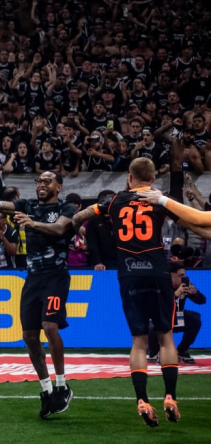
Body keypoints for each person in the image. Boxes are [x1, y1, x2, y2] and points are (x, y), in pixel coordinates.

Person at [0, 171, 76, 418]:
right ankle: (46, 390)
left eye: (47, 181)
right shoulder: (26, 205)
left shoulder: (66, 207)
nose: (41, 185)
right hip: (32, 278)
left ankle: (62, 386)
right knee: (29, 336)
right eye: (39, 181)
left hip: (55, 276)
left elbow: (60, 229)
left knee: (50, 327)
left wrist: (32, 224)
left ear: (58, 187)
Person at [73, 159, 180, 427]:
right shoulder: (159, 200)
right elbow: (188, 219)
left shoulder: (116, 201)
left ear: (129, 177)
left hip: (129, 273)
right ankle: (170, 396)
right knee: (166, 337)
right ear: (153, 177)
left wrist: (71, 224)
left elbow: (87, 213)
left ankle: (142, 400)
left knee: (139, 340)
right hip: (157, 271)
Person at [147, 262, 204, 365]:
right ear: (170, 275)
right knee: (150, 325)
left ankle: (182, 350)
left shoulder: (185, 285)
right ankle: (154, 352)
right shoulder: (160, 284)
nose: (183, 278)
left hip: (178, 317)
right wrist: (175, 295)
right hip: (161, 317)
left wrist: (195, 294)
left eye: (184, 275)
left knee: (195, 319)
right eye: (180, 275)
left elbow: (202, 301)